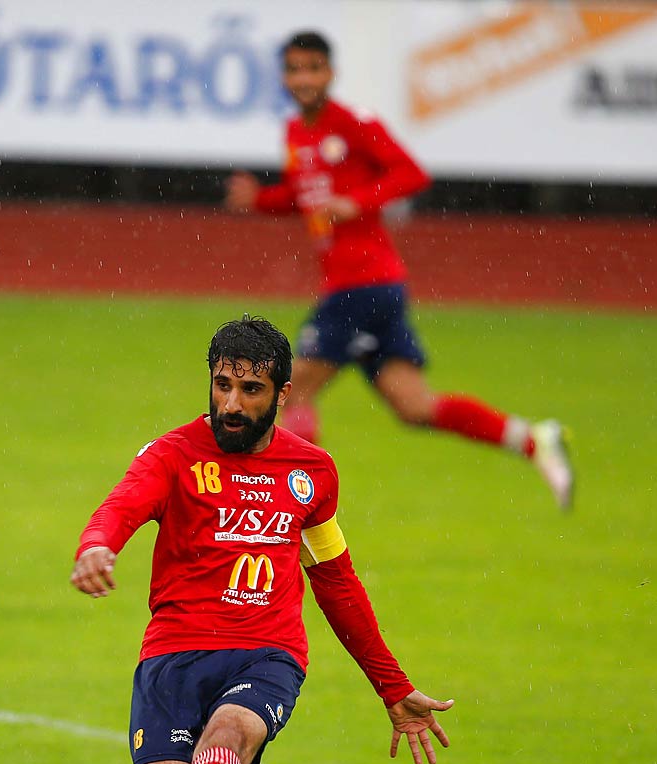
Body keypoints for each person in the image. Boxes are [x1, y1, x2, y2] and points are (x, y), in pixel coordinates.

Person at [70, 315, 454, 764]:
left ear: (281, 394)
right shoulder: (174, 455)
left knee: (231, 732)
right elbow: (122, 505)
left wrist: (392, 687)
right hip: (173, 655)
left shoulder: (312, 475)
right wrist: (98, 545)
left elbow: (336, 582)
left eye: (250, 389)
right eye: (222, 385)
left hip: (266, 652)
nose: (232, 403)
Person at [225, 30, 575, 511]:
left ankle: (291, 514)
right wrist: (261, 200)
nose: (303, 78)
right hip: (374, 288)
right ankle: (534, 440)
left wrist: (358, 201)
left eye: (312, 68)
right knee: (415, 407)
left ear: (330, 73)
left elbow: (411, 173)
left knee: (291, 388)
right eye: (294, 69)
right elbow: (303, 196)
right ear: (284, 76)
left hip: (362, 285)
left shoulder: (351, 124)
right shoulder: (295, 133)